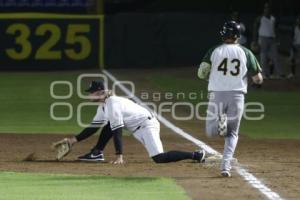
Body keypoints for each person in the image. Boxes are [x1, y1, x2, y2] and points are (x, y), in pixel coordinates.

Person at [60, 81, 206, 164]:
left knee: (159, 158)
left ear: (100, 93)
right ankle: (96, 153)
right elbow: (94, 127)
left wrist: (119, 156)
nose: (89, 94)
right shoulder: (104, 106)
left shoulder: (112, 103)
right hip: (138, 128)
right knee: (109, 124)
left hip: (147, 126)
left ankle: (195, 155)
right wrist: (73, 140)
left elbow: (118, 131)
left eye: (91, 92)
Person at [197, 21, 263, 177]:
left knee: (211, 131)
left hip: (217, 94)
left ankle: (221, 123)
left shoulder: (214, 50)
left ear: (223, 34)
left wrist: (210, 76)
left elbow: (201, 73)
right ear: (238, 36)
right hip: (237, 95)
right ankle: (225, 167)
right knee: (232, 134)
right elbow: (258, 78)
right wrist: (255, 83)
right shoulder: (246, 53)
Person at [252, 3, 283, 79]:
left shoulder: (273, 18)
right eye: (266, 8)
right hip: (263, 38)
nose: (267, 9)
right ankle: (264, 74)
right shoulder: (260, 18)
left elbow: (275, 29)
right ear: (264, 9)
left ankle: (279, 74)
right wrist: (254, 41)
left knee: (275, 56)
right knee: (263, 57)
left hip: (272, 39)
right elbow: (255, 29)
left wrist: (277, 39)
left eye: (268, 8)